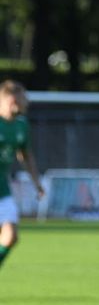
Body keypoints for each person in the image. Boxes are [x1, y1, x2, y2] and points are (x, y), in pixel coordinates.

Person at [0, 80, 44, 270]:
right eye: (21, 98)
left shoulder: (21, 125)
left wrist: (37, 183)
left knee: (11, 236)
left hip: (2, 187)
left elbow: (25, 156)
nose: (25, 102)